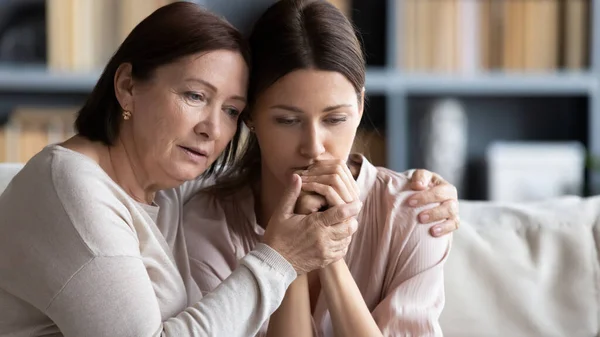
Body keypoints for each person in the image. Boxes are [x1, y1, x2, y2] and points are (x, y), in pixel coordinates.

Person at [0, 3, 365, 336]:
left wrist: (414, 182)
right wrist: (279, 260)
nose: (213, 129)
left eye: (231, 111)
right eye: (195, 96)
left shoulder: (164, 185)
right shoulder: (74, 193)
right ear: (127, 86)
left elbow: (250, 180)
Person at [183, 0, 455, 336]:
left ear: (359, 108)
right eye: (288, 120)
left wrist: (329, 254)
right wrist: (291, 254)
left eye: (335, 119)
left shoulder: (417, 211)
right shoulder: (207, 223)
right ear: (249, 115)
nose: (313, 146)